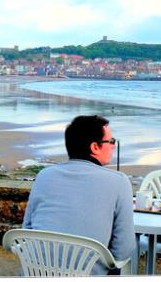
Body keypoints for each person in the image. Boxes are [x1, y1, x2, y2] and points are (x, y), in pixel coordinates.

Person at [22, 115, 136, 275]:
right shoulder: (119, 182)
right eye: (111, 141)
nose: (113, 146)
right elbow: (124, 250)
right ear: (94, 147)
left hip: (37, 273)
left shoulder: (44, 176)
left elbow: (27, 229)